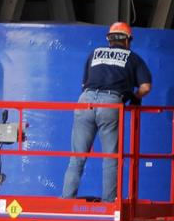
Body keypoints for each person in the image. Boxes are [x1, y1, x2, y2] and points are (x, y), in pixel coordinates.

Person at [62, 22, 152, 202]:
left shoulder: (94, 53)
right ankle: (109, 203)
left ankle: (67, 200)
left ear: (109, 39)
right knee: (111, 157)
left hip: (85, 101)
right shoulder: (133, 58)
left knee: (77, 157)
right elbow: (146, 87)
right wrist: (134, 97)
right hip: (111, 104)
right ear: (127, 40)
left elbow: (84, 84)